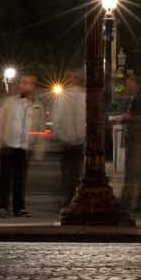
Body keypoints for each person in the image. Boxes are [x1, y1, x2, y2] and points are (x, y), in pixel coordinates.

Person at [0, 76, 35, 217]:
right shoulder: (10, 103)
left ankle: (19, 207)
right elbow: (0, 124)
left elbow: (35, 126)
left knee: (20, 179)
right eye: (24, 83)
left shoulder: (34, 105)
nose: (26, 86)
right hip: (8, 144)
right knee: (5, 178)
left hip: (23, 146)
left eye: (29, 84)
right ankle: (3, 206)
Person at [49, 78, 85, 208]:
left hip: (67, 141)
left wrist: (62, 136)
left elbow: (56, 119)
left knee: (67, 173)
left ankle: (68, 198)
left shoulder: (62, 97)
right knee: (77, 172)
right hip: (79, 141)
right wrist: (82, 136)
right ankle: (75, 197)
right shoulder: (84, 96)